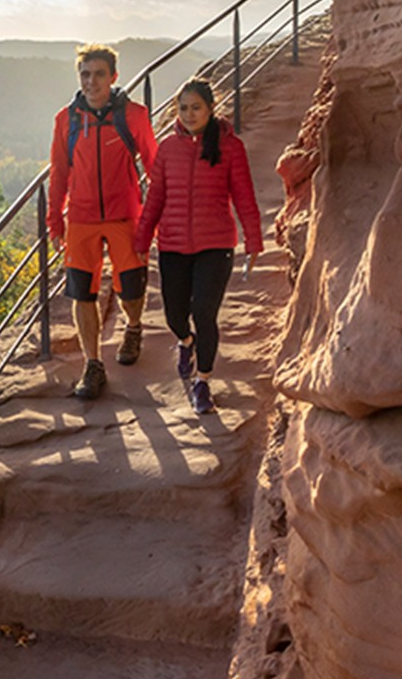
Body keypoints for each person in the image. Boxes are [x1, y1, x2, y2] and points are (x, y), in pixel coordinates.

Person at [134, 77, 263, 415]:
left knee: (204, 312)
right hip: (173, 245)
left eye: (196, 108)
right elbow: (156, 197)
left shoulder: (230, 147)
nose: (189, 114)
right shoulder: (167, 148)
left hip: (215, 245)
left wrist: (253, 238)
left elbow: (244, 195)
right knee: (175, 315)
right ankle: (185, 342)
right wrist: (142, 237)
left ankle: (202, 381)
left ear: (210, 109)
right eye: (183, 108)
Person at [47, 44, 158, 400]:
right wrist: (55, 220)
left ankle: (134, 326)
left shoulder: (134, 116)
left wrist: (159, 216)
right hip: (80, 219)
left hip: (125, 215)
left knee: (131, 289)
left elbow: (154, 166)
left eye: (98, 74)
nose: (91, 81)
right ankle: (93, 365)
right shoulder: (66, 119)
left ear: (113, 77)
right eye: (85, 74)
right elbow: (59, 173)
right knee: (83, 293)